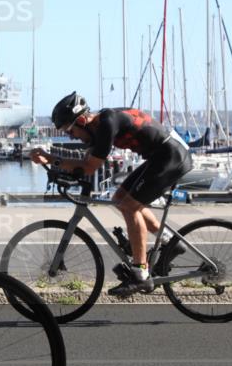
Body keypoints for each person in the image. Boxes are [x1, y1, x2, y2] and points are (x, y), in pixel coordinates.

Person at [31, 92, 192, 297]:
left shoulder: (107, 123)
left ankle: (140, 274)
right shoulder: (97, 128)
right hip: (160, 156)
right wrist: (56, 164)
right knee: (120, 199)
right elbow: (85, 161)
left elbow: (89, 167)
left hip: (170, 157)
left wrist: (50, 159)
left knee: (129, 206)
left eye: (70, 131)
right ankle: (170, 243)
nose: (72, 137)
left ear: (81, 120)